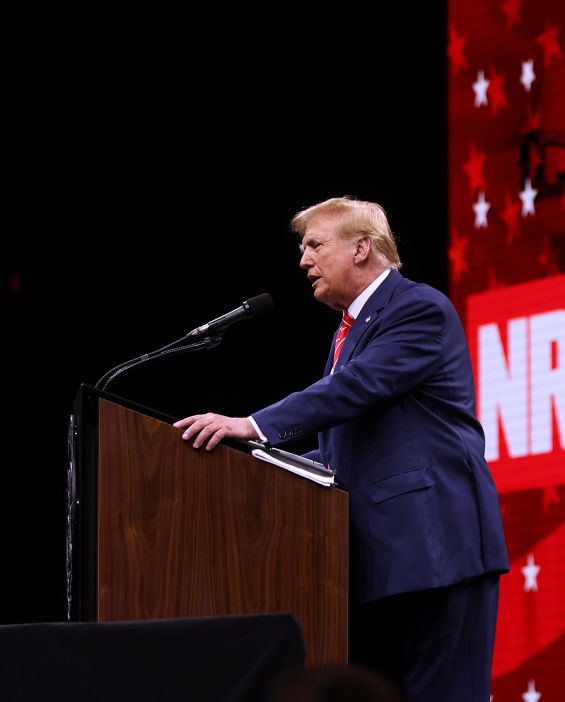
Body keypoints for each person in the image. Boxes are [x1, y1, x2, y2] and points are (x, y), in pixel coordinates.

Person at [173, 196, 509, 702]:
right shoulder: (348, 330)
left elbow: (357, 389)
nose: (302, 259)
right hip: (386, 558)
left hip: (439, 547)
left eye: (314, 245)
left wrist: (254, 425)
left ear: (360, 248)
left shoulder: (418, 307)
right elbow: (342, 452)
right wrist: (258, 467)